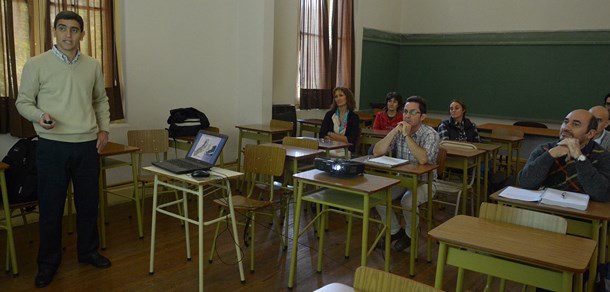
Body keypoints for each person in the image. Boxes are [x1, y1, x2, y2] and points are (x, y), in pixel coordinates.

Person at [16, 11, 111, 288]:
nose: (68, 35)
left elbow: (100, 100)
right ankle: (47, 264)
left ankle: (88, 252)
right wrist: (39, 116)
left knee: (88, 204)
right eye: (63, 29)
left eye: (74, 30)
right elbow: (23, 102)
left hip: (87, 146)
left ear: (82, 34)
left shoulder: (92, 65)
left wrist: (104, 129)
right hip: (52, 147)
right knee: (51, 208)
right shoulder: (36, 64)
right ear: (55, 33)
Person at [372, 96, 440, 251]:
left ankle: (411, 235)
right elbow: (377, 152)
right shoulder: (400, 130)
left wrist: (406, 136)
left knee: (407, 201)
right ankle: (395, 231)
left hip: (426, 182)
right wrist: (395, 131)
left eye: (413, 112)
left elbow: (423, 159)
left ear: (423, 117)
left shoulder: (430, 134)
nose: (408, 116)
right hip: (402, 179)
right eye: (405, 112)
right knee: (377, 195)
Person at [518, 109, 610, 202]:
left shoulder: (603, 156)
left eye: (576, 124)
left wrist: (580, 157)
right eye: (565, 122)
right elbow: (525, 183)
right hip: (546, 208)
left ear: (590, 134)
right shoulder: (545, 149)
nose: (566, 127)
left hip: (584, 212)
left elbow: (602, 194)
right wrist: (550, 155)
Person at [319, 87, 360, 155]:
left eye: (341, 95)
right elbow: (322, 135)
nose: (338, 98)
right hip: (330, 146)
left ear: (348, 97)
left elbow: (350, 140)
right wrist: (341, 139)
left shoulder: (354, 117)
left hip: (346, 148)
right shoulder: (329, 114)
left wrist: (331, 134)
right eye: (336, 96)